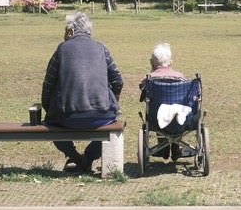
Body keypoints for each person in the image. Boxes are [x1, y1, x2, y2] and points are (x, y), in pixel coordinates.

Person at [41, 12, 123, 173]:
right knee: (112, 127)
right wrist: (114, 102)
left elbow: (48, 84)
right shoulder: (101, 48)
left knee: (49, 125)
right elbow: (118, 80)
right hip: (103, 115)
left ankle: (77, 158)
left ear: (70, 31)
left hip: (68, 117)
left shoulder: (62, 49)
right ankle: (89, 157)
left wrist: (48, 108)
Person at [139, 43, 186, 160]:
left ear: (151, 62)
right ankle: (176, 148)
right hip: (177, 119)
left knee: (156, 110)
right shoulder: (180, 77)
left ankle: (162, 147)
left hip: (157, 118)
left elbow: (142, 88)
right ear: (171, 62)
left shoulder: (149, 79)